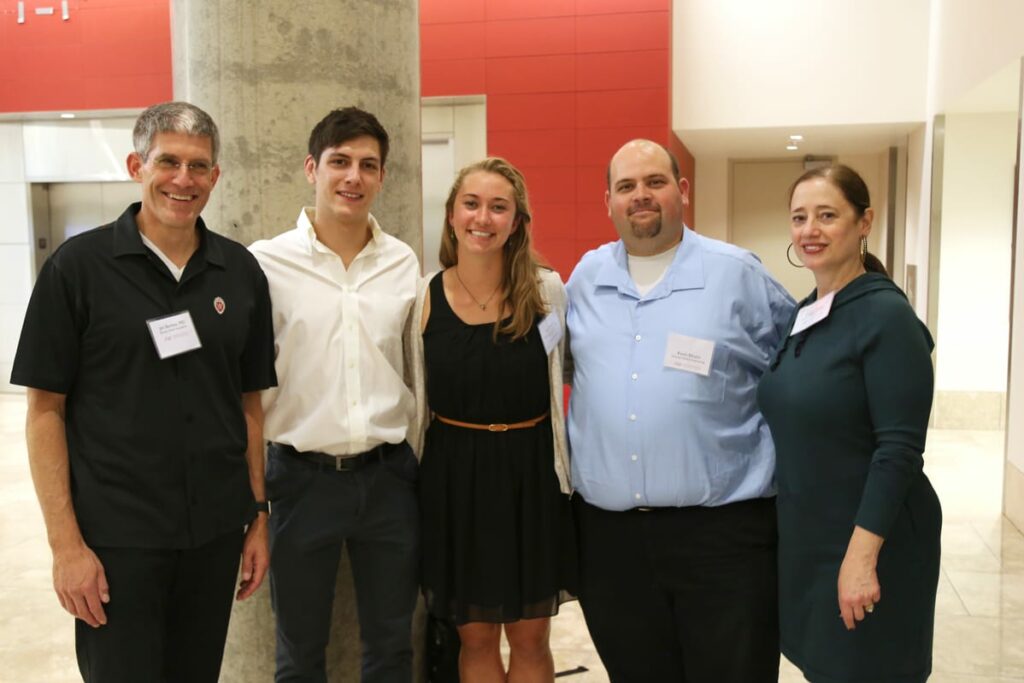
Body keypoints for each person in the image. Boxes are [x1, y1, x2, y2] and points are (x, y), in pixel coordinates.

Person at [10, 101, 277, 682]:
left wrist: (257, 517)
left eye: (199, 166)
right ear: (137, 165)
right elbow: (44, 412)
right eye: (169, 162)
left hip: (212, 535)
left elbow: (248, 405)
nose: (184, 180)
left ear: (216, 177)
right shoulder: (76, 270)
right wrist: (66, 547)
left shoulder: (240, 273)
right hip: (116, 541)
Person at [565, 139, 795, 682]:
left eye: (654, 182)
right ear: (608, 202)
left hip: (723, 538)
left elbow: (800, 367)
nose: (640, 196)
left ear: (682, 191)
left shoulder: (737, 274)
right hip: (611, 543)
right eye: (626, 186)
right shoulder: (585, 279)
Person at [250, 107, 420, 683]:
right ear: (310, 169)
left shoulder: (402, 262)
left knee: (393, 647)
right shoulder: (265, 263)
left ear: (381, 177)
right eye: (340, 162)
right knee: (299, 655)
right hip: (300, 481)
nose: (353, 177)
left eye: (368, 165)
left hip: (389, 478)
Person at [757, 164, 941, 683]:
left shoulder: (887, 318)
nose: (810, 230)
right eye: (799, 217)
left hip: (871, 539)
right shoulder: (807, 313)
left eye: (827, 215)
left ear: (864, 223)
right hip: (811, 535)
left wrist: (860, 559)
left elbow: (898, 450)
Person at [407, 157, 577, 681]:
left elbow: (565, 373)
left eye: (499, 207)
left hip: (530, 478)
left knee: (531, 638)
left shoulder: (547, 292)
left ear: (517, 221)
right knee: (475, 638)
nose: (484, 218)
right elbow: (416, 396)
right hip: (454, 481)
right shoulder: (423, 299)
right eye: (472, 204)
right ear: (453, 216)